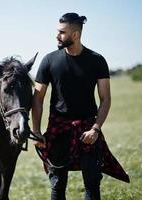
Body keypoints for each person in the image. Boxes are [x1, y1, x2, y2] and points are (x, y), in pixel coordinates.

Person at [32, 13, 129, 200]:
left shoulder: (97, 60)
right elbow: (37, 99)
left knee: (92, 184)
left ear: (75, 34)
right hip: (58, 129)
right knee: (58, 185)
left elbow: (105, 99)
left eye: (62, 32)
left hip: (88, 130)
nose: (57, 36)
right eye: (57, 31)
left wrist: (96, 129)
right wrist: (36, 131)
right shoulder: (49, 60)